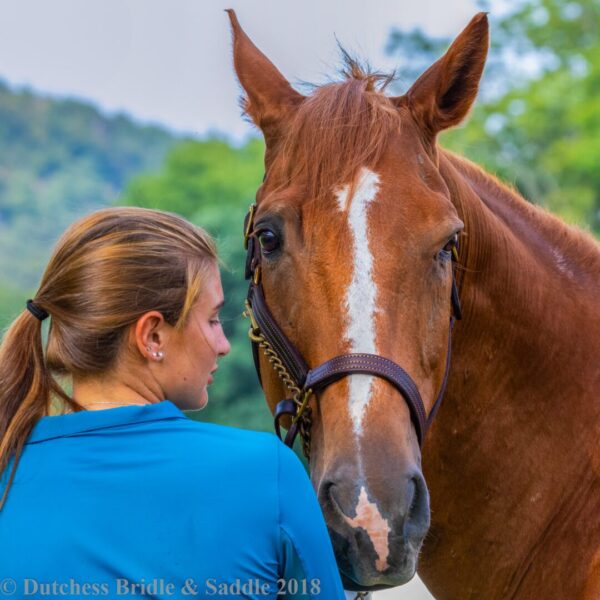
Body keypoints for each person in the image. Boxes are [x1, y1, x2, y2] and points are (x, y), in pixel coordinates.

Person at [0, 207, 346, 599]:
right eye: (213, 320)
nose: (223, 345)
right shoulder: (268, 474)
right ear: (152, 337)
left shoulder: (8, 473)